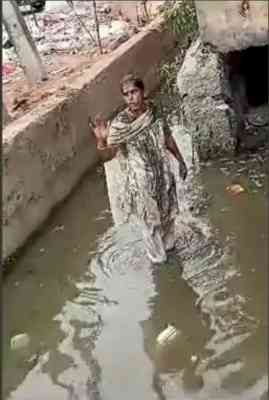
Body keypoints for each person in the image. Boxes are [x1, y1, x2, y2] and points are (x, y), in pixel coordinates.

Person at [90, 73, 187, 263]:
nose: (130, 97)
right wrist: (101, 140)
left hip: (163, 177)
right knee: (150, 225)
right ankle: (160, 266)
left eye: (134, 92)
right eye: (126, 94)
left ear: (143, 92)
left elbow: (166, 136)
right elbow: (108, 156)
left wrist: (180, 161)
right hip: (142, 183)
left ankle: (171, 257)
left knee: (168, 218)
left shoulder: (154, 111)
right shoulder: (121, 124)